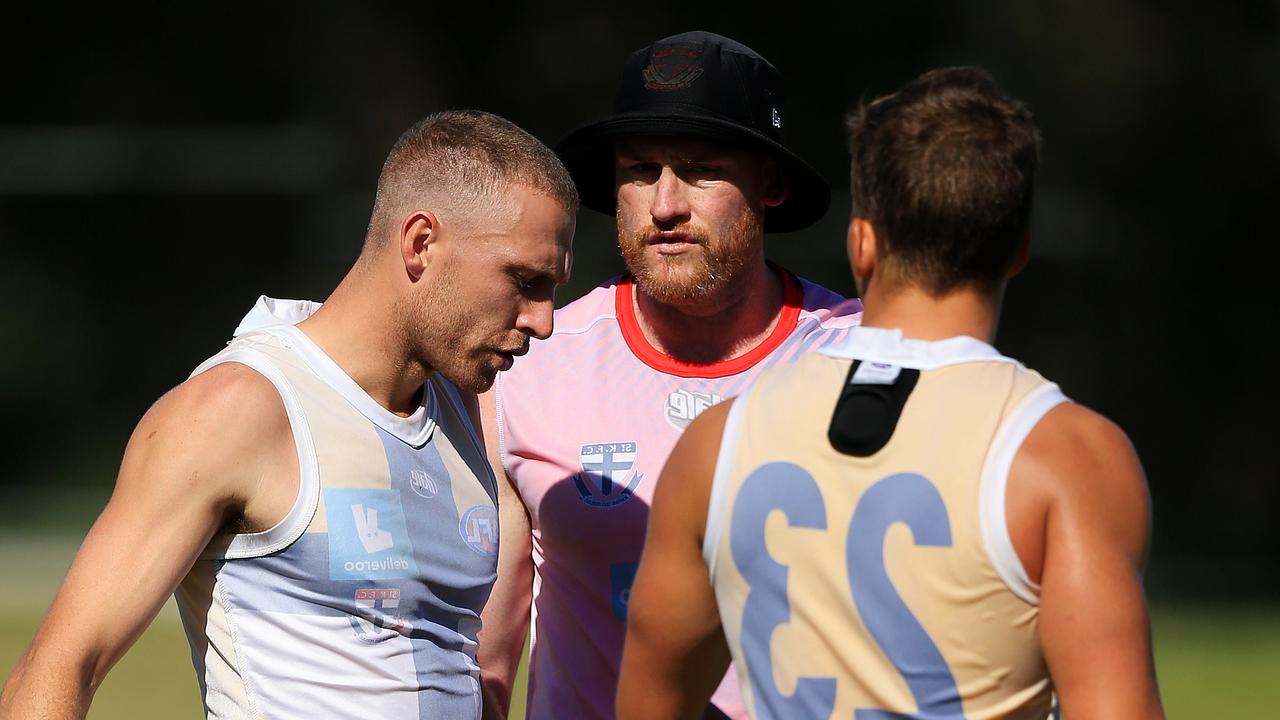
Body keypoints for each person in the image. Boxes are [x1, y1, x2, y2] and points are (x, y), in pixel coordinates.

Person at [617, 67, 1164, 719]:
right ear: (1018, 250)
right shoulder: (1068, 458)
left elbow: (648, 706)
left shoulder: (716, 444)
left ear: (862, 244)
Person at [0, 110, 577, 720]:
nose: (543, 321)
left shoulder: (465, 413)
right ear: (421, 244)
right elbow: (59, 669)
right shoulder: (240, 409)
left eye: (554, 290)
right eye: (524, 280)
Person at [476, 31, 862, 720]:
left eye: (700, 167)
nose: (664, 204)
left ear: (770, 183)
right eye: (641, 169)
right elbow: (486, 661)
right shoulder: (530, 366)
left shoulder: (867, 357)